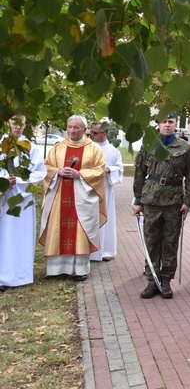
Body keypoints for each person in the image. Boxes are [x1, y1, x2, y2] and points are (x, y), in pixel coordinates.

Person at [133, 113, 190, 300]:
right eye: (163, 122)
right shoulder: (148, 145)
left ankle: (166, 280)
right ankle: (153, 280)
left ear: (175, 124)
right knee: (151, 240)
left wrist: (188, 202)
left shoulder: (184, 148)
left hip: (174, 201)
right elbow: (139, 173)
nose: (167, 125)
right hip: (151, 199)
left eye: (170, 122)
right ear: (158, 124)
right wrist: (137, 201)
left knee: (170, 242)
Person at [39, 115, 107, 281]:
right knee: (57, 228)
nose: (72, 130)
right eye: (69, 127)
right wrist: (57, 172)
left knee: (79, 230)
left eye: (76, 127)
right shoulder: (58, 148)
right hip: (59, 195)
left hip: (82, 198)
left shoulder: (94, 149)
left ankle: (80, 269)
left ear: (84, 130)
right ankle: (55, 269)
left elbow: (100, 170)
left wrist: (80, 174)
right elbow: (46, 166)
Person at [0, 115, 46, 291]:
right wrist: (4, 179)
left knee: (19, 236)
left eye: (21, 124)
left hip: (21, 199)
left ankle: (20, 275)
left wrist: (17, 180)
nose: (17, 127)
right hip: (4, 197)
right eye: (14, 123)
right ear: (7, 124)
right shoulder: (1, 145)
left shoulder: (30, 147)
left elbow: (39, 172)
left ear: (25, 125)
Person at [88, 122, 123, 262]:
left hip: (105, 189)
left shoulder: (113, 150)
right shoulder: (87, 148)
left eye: (95, 133)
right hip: (88, 189)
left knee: (105, 217)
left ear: (105, 133)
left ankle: (105, 251)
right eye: (91, 133)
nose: (92, 136)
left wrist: (109, 170)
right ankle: (88, 250)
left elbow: (119, 168)